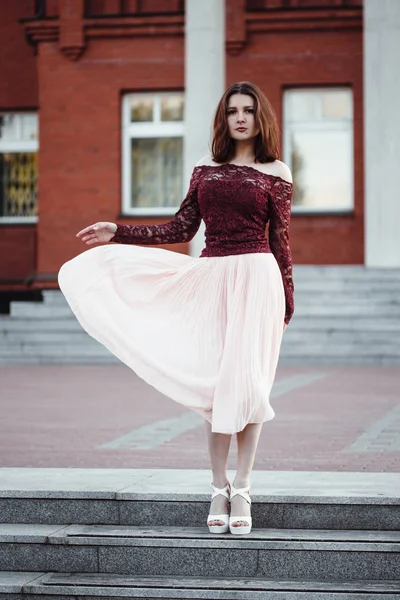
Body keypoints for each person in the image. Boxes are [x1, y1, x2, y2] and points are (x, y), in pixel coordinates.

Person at [58, 81, 294, 536]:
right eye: (232, 111)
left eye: (247, 110)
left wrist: (287, 300)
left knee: (248, 385)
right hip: (211, 278)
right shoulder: (205, 169)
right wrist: (118, 232)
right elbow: (183, 227)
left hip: (257, 282)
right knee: (215, 389)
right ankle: (217, 485)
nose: (240, 118)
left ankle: (243, 485)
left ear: (259, 117)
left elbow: (281, 242)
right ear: (223, 119)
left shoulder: (277, 172)